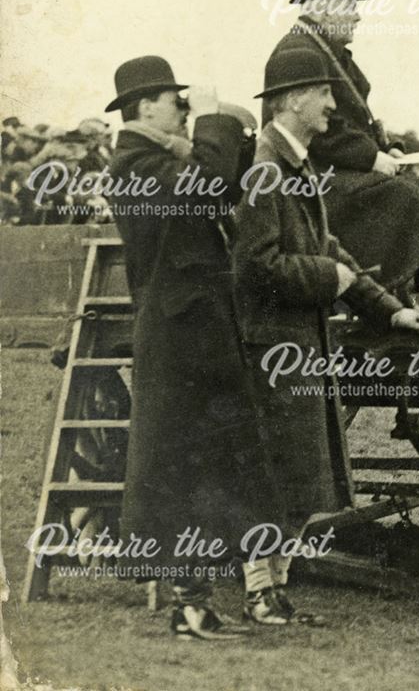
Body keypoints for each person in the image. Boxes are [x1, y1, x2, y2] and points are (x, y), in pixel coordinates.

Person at [234, 48, 419, 616]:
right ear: (293, 99)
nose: (331, 104)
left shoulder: (293, 163)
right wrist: (331, 277)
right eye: (322, 93)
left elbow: (331, 251)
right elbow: (257, 267)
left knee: (297, 474)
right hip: (273, 346)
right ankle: (259, 594)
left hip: (298, 343)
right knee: (276, 474)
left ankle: (274, 591)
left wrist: (390, 311)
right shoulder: (265, 167)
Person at [106, 55, 289, 640]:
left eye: (188, 103)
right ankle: (189, 607)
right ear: (144, 107)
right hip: (177, 339)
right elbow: (209, 186)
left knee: (206, 470)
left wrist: (220, 133)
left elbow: (221, 185)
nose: (183, 109)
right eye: (175, 101)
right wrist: (214, 120)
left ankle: (199, 604)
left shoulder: (157, 161)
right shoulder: (134, 164)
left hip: (194, 337)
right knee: (182, 473)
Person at [262, 0, 419, 295]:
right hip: (308, 179)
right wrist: (371, 158)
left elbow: (354, 119)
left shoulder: (323, 49)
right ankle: (392, 291)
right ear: (323, 8)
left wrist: (386, 148)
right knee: (404, 195)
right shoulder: (300, 52)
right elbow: (320, 130)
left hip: (334, 170)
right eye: (350, 6)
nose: (357, 17)